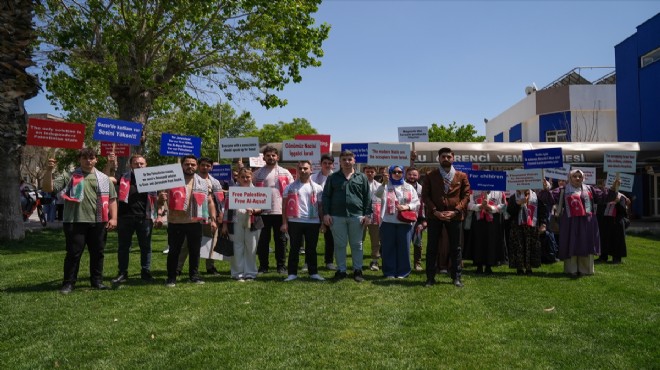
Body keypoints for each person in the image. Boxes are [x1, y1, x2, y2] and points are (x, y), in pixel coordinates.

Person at [43, 149, 118, 294]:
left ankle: (97, 281)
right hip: (74, 221)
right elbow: (48, 188)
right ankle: (68, 283)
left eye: (91, 158)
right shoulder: (69, 175)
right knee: (73, 254)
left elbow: (112, 199)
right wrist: (49, 170)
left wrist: (114, 218)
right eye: (84, 157)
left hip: (98, 221)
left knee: (98, 253)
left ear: (96, 160)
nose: (88, 160)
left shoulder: (103, 178)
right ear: (79, 159)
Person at [539, 169, 621, 277]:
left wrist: (614, 188)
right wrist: (545, 188)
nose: (577, 178)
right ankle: (571, 269)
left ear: (583, 178)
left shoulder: (590, 189)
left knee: (585, 243)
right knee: (571, 243)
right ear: (570, 178)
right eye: (575, 176)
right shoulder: (563, 190)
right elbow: (549, 198)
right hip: (570, 222)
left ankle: (585, 269)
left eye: (579, 176)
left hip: (587, 222)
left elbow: (604, 197)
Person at [156, 155, 217, 287]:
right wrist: (160, 200)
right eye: (187, 164)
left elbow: (210, 201)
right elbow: (160, 202)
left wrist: (213, 219)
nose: (190, 167)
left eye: (193, 164)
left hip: (195, 222)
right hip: (176, 222)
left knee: (195, 251)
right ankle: (171, 277)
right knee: (174, 251)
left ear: (196, 166)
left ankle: (194, 276)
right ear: (182, 165)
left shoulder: (203, 182)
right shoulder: (171, 180)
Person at [421, 147, 471, 288]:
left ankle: (456, 277)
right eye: (443, 157)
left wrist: (455, 211)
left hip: (454, 216)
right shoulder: (431, 175)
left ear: (453, 158)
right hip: (435, 216)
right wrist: (435, 211)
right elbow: (425, 196)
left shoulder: (462, 176)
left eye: (449, 157)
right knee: (432, 248)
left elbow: (466, 196)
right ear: (439, 158)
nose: (446, 159)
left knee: (456, 248)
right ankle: (430, 278)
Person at [108, 153, 159, 284]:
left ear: (146, 165)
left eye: (142, 163)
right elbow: (109, 179)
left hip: (145, 218)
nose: (139, 165)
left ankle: (145, 272)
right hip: (125, 217)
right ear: (131, 165)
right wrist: (110, 164)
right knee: (124, 247)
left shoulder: (152, 178)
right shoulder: (124, 177)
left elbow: (158, 199)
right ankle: (122, 273)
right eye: (136, 163)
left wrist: (160, 207)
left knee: (146, 247)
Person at [322, 150, 372, 282]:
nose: (347, 162)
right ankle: (341, 270)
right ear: (340, 162)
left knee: (357, 245)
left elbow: (367, 197)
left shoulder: (362, 177)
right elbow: (326, 196)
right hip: (337, 216)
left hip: (357, 216)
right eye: (344, 159)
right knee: (340, 244)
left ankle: (358, 270)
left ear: (354, 161)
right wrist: (326, 213)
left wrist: (367, 214)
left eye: (350, 159)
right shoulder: (333, 178)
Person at [176, 157, 225, 276]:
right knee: (186, 243)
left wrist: (220, 215)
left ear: (211, 168)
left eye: (208, 166)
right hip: (193, 217)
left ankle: (210, 266)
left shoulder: (215, 182)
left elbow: (220, 201)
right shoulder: (190, 179)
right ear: (199, 166)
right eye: (203, 165)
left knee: (211, 242)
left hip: (211, 217)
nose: (205, 167)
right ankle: (178, 268)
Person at [252, 146, 294, 274]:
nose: (271, 158)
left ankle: (281, 266)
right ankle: (263, 266)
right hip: (262, 212)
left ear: (278, 157)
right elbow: (250, 190)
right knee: (263, 241)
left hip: (280, 211)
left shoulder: (285, 172)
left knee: (281, 240)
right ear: (263, 157)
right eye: (268, 155)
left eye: (273, 155)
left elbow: (292, 191)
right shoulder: (257, 173)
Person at [281, 160, 326, 282]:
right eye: (300, 168)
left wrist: (322, 223)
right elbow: (284, 206)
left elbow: (320, 207)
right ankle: (292, 273)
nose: (302, 171)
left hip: (313, 222)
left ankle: (313, 272)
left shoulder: (318, 188)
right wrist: (284, 222)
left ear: (311, 170)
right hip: (295, 221)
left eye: (305, 168)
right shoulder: (289, 187)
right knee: (294, 248)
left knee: (311, 248)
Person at [374, 165, 420, 278]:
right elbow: (377, 195)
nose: (397, 174)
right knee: (388, 248)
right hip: (388, 222)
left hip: (404, 222)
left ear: (403, 173)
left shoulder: (408, 187)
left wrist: (407, 207)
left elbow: (416, 202)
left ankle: (403, 272)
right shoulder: (385, 185)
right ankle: (389, 272)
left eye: (399, 172)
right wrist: (384, 183)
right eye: (394, 172)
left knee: (404, 248)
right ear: (390, 173)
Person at [222, 167, 262, 281]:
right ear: (238, 178)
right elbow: (226, 209)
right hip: (235, 220)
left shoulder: (258, 190)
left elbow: (263, 208)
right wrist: (224, 225)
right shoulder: (232, 191)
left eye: (247, 177)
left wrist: (254, 210)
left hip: (253, 220)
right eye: (242, 177)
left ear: (252, 177)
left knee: (251, 247)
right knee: (236, 247)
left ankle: (250, 273)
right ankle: (237, 273)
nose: (245, 179)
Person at [506, 189, 547, 275]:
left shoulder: (535, 196)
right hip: (517, 226)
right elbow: (509, 211)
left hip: (531, 225)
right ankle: (519, 268)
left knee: (530, 245)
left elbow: (542, 211)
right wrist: (518, 204)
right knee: (518, 245)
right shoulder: (514, 197)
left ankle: (529, 267)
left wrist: (543, 223)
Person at [466, 190, 507, 274]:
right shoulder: (474, 190)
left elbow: (504, 206)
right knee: (478, 241)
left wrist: (491, 208)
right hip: (478, 219)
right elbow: (469, 205)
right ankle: (479, 265)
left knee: (491, 242)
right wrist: (480, 206)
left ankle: (489, 266)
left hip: (493, 220)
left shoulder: (499, 190)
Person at [312, 154, 337, 270]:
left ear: (333, 164)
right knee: (311, 238)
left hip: (330, 211)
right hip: (313, 210)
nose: (327, 165)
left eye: (329, 163)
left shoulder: (336, 177)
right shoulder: (312, 177)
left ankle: (329, 261)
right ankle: (309, 262)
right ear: (320, 164)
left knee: (330, 238)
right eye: (325, 163)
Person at [362, 165, 383, 271]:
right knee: (358, 240)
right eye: (367, 171)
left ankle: (375, 262)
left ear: (375, 173)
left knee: (375, 240)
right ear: (364, 172)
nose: (369, 173)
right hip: (361, 216)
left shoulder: (380, 186)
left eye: (371, 171)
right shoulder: (359, 185)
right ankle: (358, 261)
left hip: (375, 216)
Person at [405, 167, 426, 271]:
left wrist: (424, 221)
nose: (412, 177)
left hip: (418, 219)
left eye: (414, 175)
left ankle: (417, 264)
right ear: (406, 175)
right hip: (403, 219)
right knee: (404, 242)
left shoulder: (422, 189)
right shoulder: (401, 187)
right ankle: (404, 263)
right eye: (410, 174)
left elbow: (425, 205)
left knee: (418, 242)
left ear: (418, 176)